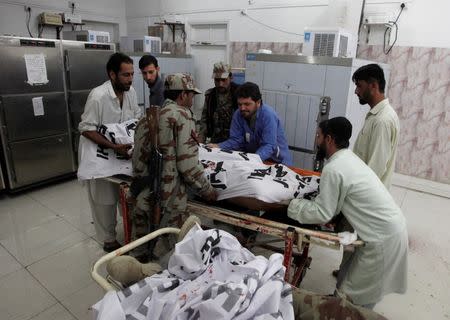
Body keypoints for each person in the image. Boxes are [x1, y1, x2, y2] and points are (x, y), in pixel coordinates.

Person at [287, 117, 408, 309]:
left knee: (354, 301)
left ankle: (344, 308)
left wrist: (292, 205)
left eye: (318, 136)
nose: (316, 141)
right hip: (391, 227)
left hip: (381, 239)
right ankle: (341, 303)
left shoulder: (333, 168)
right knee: (351, 277)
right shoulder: (349, 158)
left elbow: (323, 212)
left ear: (329, 139)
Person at [79, 52, 142, 252]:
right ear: (112, 74)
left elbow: (136, 118)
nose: (130, 79)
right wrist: (113, 147)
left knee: (126, 192)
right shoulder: (98, 96)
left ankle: (127, 228)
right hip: (100, 151)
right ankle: (108, 238)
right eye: (126, 75)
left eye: (132, 74)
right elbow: (86, 128)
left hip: (123, 151)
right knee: (104, 199)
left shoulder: (130, 92)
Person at [159, 73, 217, 231]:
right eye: (192, 95)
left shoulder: (156, 113)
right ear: (183, 94)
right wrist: (207, 190)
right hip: (172, 195)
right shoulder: (183, 116)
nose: (192, 100)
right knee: (172, 243)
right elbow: (187, 165)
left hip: (153, 191)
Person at [208, 82, 293, 165]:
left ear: (258, 102)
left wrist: (252, 160)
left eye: (247, 104)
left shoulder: (268, 115)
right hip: (254, 160)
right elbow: (236, 140)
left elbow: (269, 145)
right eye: (239, 104)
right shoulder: (238, 114)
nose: (242, 108)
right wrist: (218, 146)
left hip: (277, 162)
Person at [352, 63, 400, 189]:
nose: (356, 91)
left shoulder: (382, 120)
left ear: (373, 85)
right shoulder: (376, 115)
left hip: (368, 197)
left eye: (359, 86)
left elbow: (375, 169)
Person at [198, 62, 239, 143]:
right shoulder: (210, 95)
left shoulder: (239, 93)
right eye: (217, 80)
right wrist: (201, 139)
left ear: (230, 78)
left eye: (224, 80)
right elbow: (204, 119)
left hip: (235, 139)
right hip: (215, 139)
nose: (220, 84)